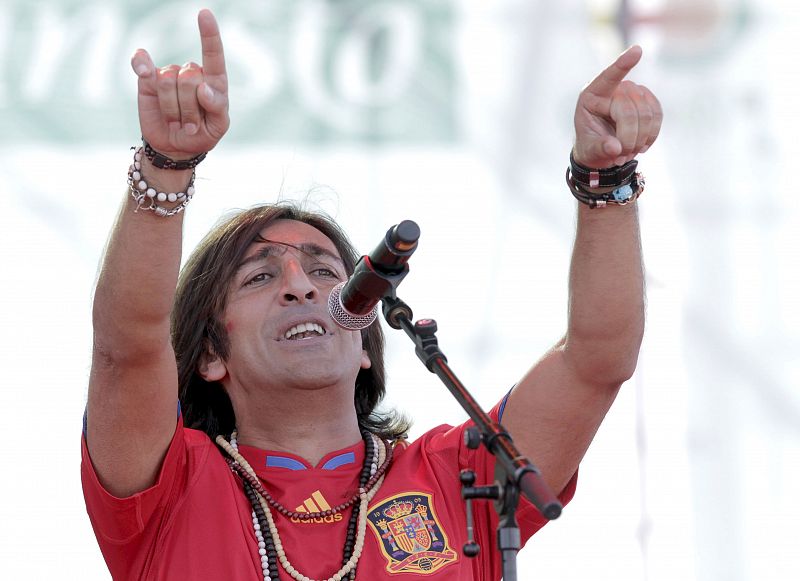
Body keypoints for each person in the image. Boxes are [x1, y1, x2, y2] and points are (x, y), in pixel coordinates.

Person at [81, 9, 662, 581]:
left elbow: (598, 358)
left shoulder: (461, 475)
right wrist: (167, 167)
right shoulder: (166, 483)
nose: (300, 286)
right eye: (261, 276)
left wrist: (604, 178)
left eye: (325, 272)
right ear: (210, 355)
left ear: (364, 338)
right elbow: (126, 347)